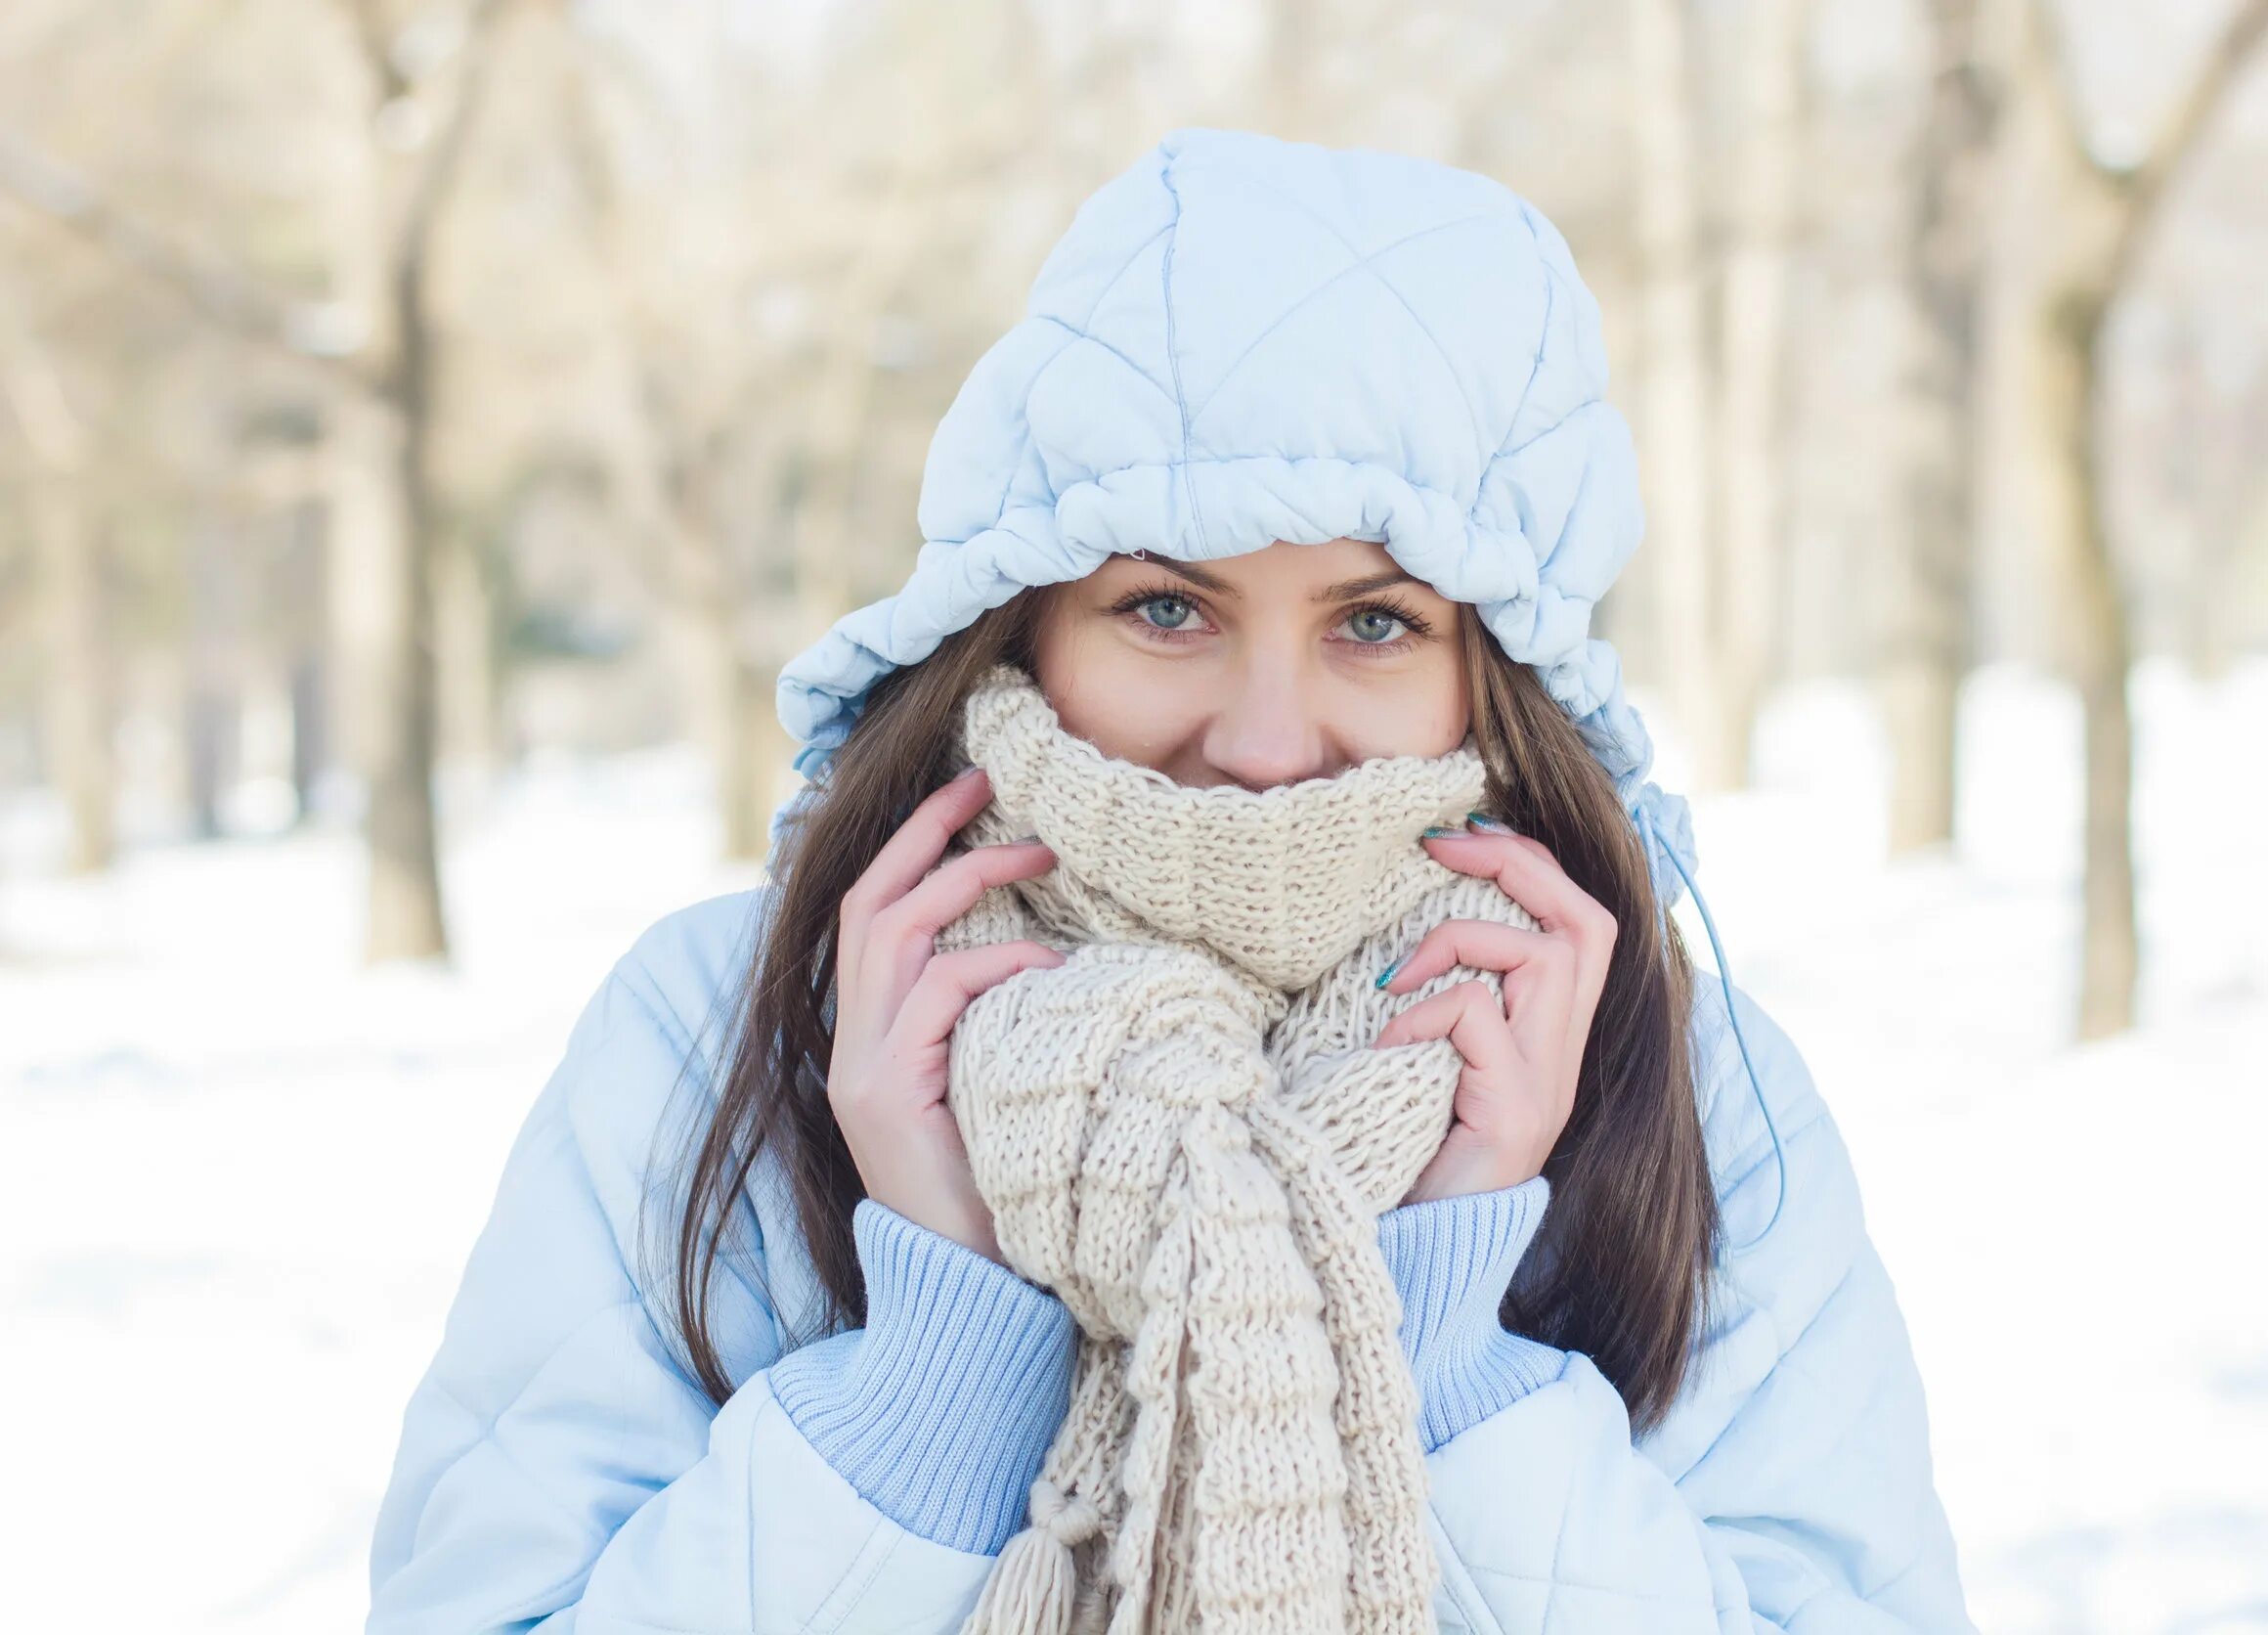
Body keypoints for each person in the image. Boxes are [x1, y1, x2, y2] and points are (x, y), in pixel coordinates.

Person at [367, 127, 1976, 1633]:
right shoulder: (725, 1032)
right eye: (1164, 611)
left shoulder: (1671, 1075)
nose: (1267, 742)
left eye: (1375, 623)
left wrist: (1438, 1346)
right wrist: (934, 1370)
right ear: (1022, 626)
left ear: (1492, 678)